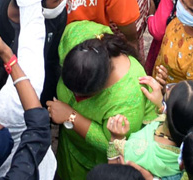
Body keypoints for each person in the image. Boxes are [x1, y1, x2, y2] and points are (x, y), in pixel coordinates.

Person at [47, 23, 155, 180]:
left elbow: (114, 144)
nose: (75, 98)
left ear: (102, 84)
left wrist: (71, 116)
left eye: (82, 95)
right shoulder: (76, 35)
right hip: (69, 148)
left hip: (97, 165)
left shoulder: (129, 97)